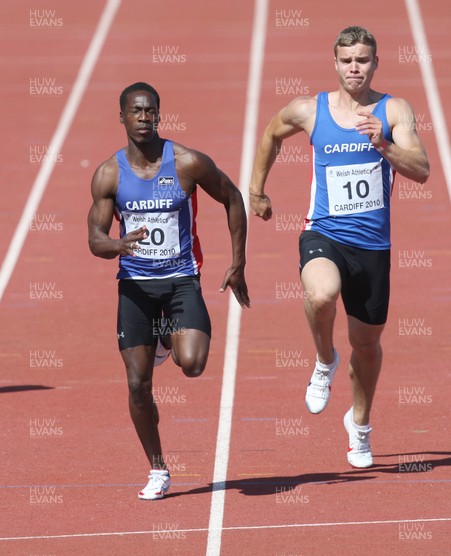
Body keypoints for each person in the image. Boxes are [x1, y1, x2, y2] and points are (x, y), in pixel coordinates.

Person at [249, 26, 429, 468]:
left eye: (363, 60)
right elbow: (271, 134)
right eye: (347, 60)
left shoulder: (393, 110)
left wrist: (383, 145)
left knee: (366, 346)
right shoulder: (310, 110)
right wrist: (257, 191)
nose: (355, 67)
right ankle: (323, 358)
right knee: (321, 293)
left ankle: (360, 427)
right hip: (324, 233)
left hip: (372, 247)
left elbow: (422, 169)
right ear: (335, 63)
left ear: (375, 63)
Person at [88, 82, 250, 499]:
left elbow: (232, 196)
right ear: (121, 116)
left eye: (150, 111)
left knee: (193, 364)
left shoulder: (186, 163)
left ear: (159, 115)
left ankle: (167, 338)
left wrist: (238, 262)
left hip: (180, 281)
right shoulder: (109, 173)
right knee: (139, 385)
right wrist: (117, 245)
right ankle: (158, 469)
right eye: (135, 111)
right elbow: (95, 238)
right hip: (136, 289)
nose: (144, 118)